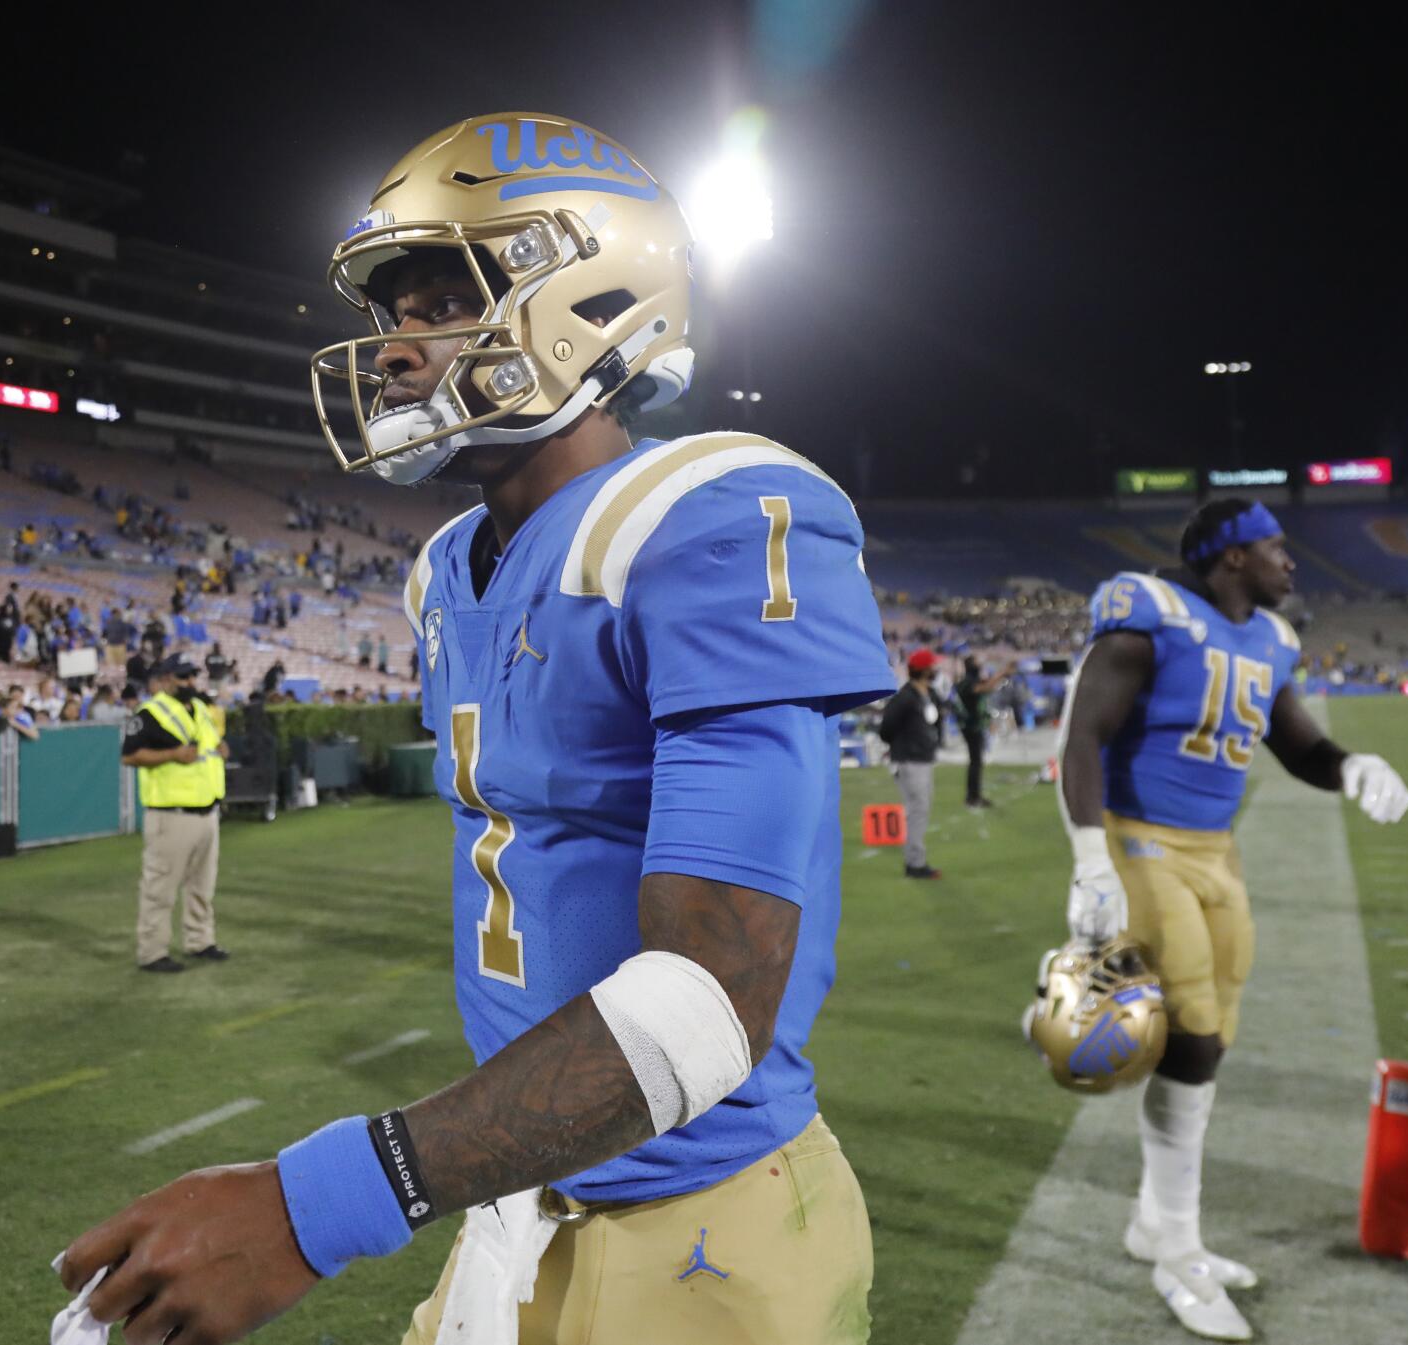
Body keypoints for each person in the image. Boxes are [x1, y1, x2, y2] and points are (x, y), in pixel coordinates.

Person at [58, 114, 893, 1345]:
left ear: (590, 291)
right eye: (393, 313)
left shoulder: (704, 513)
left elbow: (712, 995)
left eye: (443, 300)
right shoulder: (446, 567)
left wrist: (313, 1207)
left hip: (694, 1222)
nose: (396, 352)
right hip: (517, 1192)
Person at [1055, 498, 1408, 1340]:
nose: (1291, 562)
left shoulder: (1274, 640)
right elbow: (1083, 734)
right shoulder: (1154, 612)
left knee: (1215, 1036)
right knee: (1192, 1032)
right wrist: (1089, 856)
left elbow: (1297, 745)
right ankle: (1176, 1242)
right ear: (1230, 557)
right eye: (1274, 548)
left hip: (1217, 852)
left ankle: (1158, 1221)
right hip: (1143, 841)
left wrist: (1353, 763)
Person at [118, 654, 228, 973]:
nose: (191, 682)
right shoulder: (150, 713)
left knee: (202, 887)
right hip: (171, 814)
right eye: (183, 677)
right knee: (160, 889)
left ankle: (200, 940)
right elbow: (130, 756)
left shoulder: (199, 710)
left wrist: (221, 748)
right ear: (165, 679)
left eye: (193, 676)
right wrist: (171, 755)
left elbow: (207, 747)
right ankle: (152, 952)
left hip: (207, 810)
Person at [877, 649, 944, 879]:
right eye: (933, 666)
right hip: (909, 760)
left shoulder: (929, 694)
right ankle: (915, 863)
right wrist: (902, 746)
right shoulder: (905, 697)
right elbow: (886, 729)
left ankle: (916, 859)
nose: (936, 670)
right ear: (924, 670)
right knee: (918, 810)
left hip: (923, 759)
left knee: (921, 810)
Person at [954, 654, 1009, 808]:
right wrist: (1001, 673)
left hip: (974, 726)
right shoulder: (967, 683)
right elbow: (984, 687)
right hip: (970, 727)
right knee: (975, 762)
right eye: (977, 663)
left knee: (976, 761)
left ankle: (974, 795)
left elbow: (987, 686)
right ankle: (973, 797)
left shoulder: (971, 681)